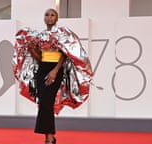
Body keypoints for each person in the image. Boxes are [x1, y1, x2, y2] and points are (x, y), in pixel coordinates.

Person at [13, 8, 93, 144]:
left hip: (56, 68)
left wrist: (55, 71)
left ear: (56, 18)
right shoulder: (39, 36)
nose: (49, 17)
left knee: (47, 102)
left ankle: (49, 137)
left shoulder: (62, 33)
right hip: (42, 69)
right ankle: (48, 137)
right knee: (44, 103)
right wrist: (32, 50)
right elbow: (40, 58)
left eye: (52, 15)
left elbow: (65, 54)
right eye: (47, 15)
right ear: (44, 18)